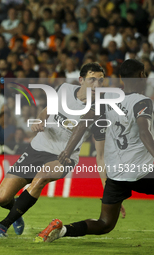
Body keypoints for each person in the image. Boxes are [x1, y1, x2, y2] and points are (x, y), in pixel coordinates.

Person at [36, 59, 154, 243]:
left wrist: (67, 151)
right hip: (142, 171)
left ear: (122, 78)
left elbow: (83, 122)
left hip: (116, 174)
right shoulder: (143, 102)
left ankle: (62, 230)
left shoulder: (107, 99)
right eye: (145, 74)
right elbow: (144, 131)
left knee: (104, 223)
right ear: (141, 76)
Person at [0, 63, 108, 237]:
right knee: (1, 198)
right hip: (38, 147)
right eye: (92, 80)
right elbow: (46, 110)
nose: (97, 85)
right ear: (81, 80)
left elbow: (100, 155)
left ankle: (2, 225)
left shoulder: (99, 108)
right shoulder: (64, 89)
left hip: (64, 157)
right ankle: (16, 213)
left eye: (100, 81)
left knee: (40, 178)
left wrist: (108, 192)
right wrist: (40, 120)